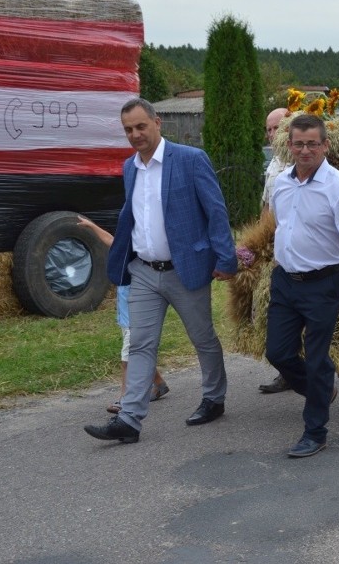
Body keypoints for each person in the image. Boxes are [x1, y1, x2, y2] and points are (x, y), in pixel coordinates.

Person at [84, 98, 237, 444]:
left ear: (157, 122)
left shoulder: (191, 160)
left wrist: (226, 260)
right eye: (128, 130)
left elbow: (216, 213)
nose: (135, 134)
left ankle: (214, 398)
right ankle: (130, 419)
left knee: (203, 338)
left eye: (140, 126)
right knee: (139, 343)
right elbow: (135, 216)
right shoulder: (129, 168)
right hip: (143, 272)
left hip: (187, 269)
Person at [265, 114, 339, 458]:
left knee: (315, 357)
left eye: (312, 143)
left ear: (325, 145)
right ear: (289, 146)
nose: (305, 150)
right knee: (277, 352)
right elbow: (281, 226)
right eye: (299, 143)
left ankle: (315, 431)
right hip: (285, 282)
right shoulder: (281, 183)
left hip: (323, 283)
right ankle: (322, 387)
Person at [77, 216, 168, 413]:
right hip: (126, 318)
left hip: (137, 317)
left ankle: (125, 399)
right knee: (138, 353)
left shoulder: (143, 258)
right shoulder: (125, 251)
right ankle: (159, 383)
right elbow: (111, 241)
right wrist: (92, 226)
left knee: (128, 360)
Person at [258, 107, 294, 394]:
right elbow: (266, 207)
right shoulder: (273, 164)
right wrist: (258, 244)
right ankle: (287, 371)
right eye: (269, 129)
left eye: (277, 127)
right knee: (277, 313)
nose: (272, 134)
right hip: (275, 248)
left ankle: (315, 371)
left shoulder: (301, 159)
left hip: (300, 250)